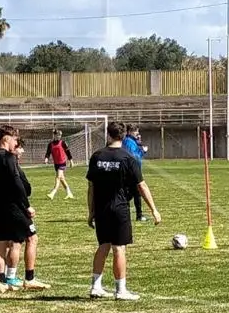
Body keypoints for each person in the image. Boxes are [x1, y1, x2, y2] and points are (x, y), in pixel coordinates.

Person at [86, 121, 160, 301]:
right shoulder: (128, 158)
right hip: (120, 208)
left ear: (108, 135)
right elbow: (141, 186)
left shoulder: (97, 156)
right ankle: (120, 290)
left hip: (102, 208)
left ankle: (96, 286)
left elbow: (91, 187)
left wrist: (91, 211)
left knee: (103, 246)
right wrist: (154, 210)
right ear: (123, 135)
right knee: (119, 248)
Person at [0, 127, 50, 293]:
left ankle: (2, 282)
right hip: (14, 206)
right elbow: (17, 184)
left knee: (1, 243)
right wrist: (26, 205)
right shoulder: (8, 158)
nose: (16, 143)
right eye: (15, 139)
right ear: (6, 139)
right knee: (32, 238)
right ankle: (29, 278)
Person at [123, 125, 148, 221]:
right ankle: (139, 215)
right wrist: (143, 151)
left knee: (134, 193)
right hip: (132, 171)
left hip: (132, 170)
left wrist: (139, 144)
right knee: (135, 192)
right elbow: (134, 157)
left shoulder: (132, 141)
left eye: (137, 131)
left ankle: (138, 214)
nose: (137, 133)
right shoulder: (129, 142)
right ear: (129, 132)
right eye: (134, 131)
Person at [44, 129, 74, 199]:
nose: (59, 136)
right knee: (62, 179)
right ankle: (69, 193)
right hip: (56, 163)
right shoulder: (50, 144)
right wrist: (46, 158)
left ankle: (53, 193)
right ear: (54, 135)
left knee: (58, 177)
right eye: (57, 135)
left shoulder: (63, 143)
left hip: (62, 162)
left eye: (60, 135)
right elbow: (48, 152)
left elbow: (68, 152)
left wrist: (71, 161)